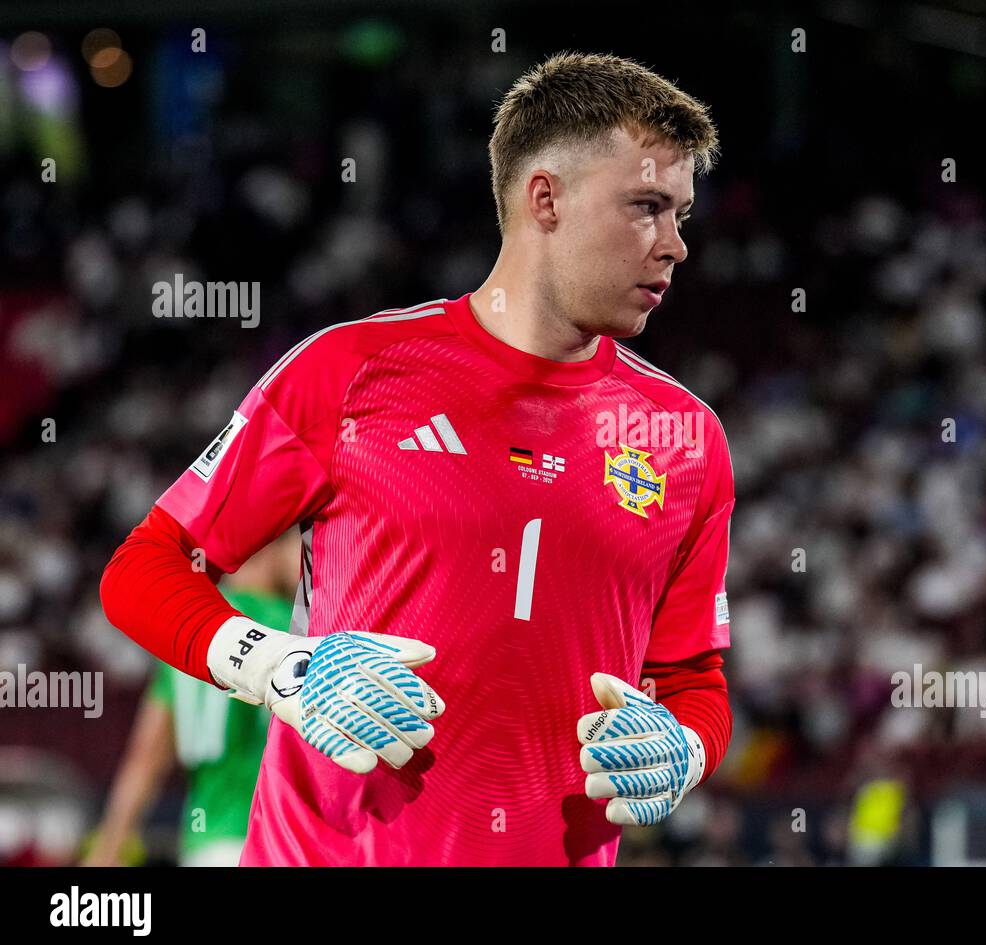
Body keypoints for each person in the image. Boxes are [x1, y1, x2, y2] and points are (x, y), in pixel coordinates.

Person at [100, 51, 735, 865]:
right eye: (648, 207)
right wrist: (283, 669)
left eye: (680, 213)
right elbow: (144, 569)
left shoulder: (684, 438)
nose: (675, 245)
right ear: (546, 199)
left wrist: (683, 750)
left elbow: (692, 681)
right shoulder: (348, 373)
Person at [85, 534, 298, 866]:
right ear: (272, 548)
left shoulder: (193, 633)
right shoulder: (297, 629)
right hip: (284, 841)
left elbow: (146, 759)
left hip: (208, 842)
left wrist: (108, 850)